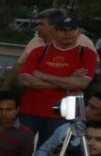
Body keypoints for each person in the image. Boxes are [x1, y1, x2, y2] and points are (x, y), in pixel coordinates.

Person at [17, 15, 98, 146]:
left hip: (66, 112)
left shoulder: (87, 54)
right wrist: (69, 81)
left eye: (72, 29)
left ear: (79, 32)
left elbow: (82, 83)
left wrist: (43, 76)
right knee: (20, 147)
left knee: (51, 152)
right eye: (62, 29)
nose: (67, 33)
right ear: (54, 31)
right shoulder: (38, 51)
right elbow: (24, 79)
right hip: (31, 109)